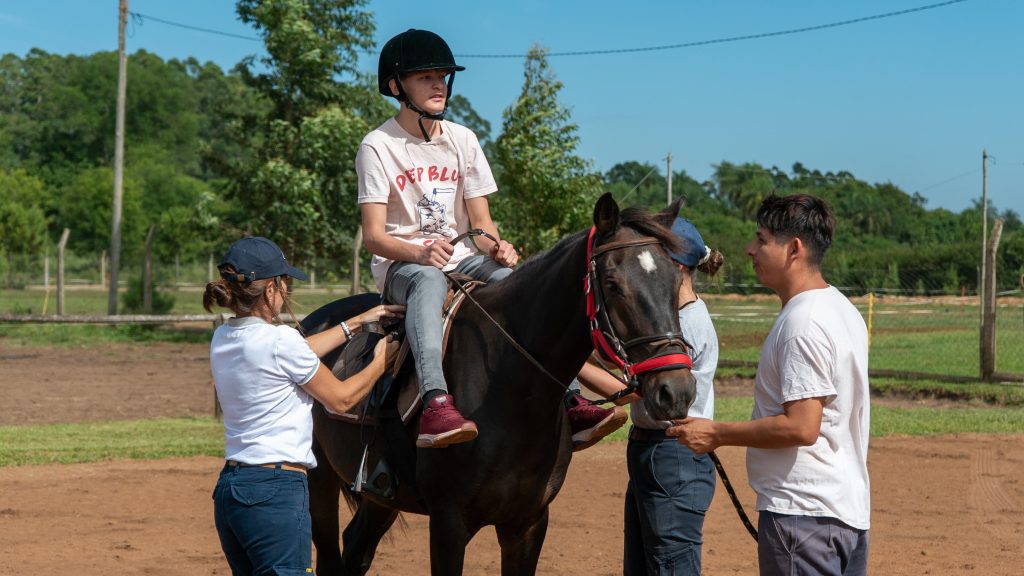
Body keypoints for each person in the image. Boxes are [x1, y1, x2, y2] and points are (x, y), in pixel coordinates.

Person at [356, 28, 621, 449]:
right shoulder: (377, 146)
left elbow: (482, 223)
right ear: (395, 86)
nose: (439, 85)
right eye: (426, 77)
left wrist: (497, 246)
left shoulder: (464, 139)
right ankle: (435, 403)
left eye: (442, 76)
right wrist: (419, 253)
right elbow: (374, 237)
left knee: (517, 285)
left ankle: (570, 398)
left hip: (463, 257)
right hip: (404, 266)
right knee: (429, 280)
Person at [668, 194, 871, 576]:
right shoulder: (841, 308)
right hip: (844, 513)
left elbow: (801, 427)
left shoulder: (803, 322)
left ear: (794, 249)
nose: (750, 249)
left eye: (761, 239)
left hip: (802, 515)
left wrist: (716, 433)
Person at [204, 236, 403, 576]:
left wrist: (356, 323)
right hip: (274, 491)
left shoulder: (223, 337)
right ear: (270, 289)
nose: (286, 291)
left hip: (232, 491)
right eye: (284, 283)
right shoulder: (280, 341)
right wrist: (380, 363)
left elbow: (295, 351)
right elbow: (341, 399)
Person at [577, 218, 725, 574]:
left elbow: (629, 394)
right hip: (658, 453)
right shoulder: (674, 320)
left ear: (674, 267)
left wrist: (574, 363)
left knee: (669, 566)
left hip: (672, 454)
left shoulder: (683, 327)